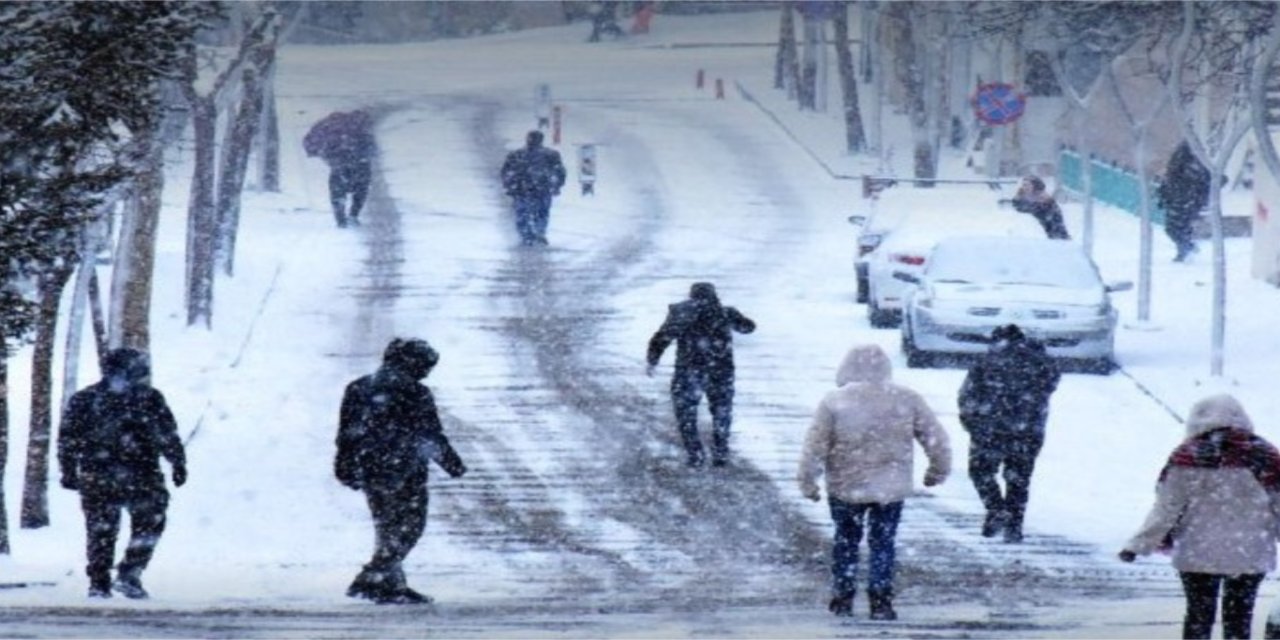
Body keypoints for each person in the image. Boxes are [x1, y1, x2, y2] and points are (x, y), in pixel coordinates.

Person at [798, 344, 951, 620]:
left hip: (846, 485)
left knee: (846, 540)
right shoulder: (906, 398)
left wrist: (808, 480)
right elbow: (935, 437)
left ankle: (843, 595)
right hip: (890, 487)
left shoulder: (835, 401)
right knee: (883, 542)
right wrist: (938, 469)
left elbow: (816, 445)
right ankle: (881, 598)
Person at [1119, 394, 1280, 640]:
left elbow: (1166, 509)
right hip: (1250, 551)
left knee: (1198, 616)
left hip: (1198, 551)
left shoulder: (1186, 457)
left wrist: (1137, 545)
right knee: (1239, 618)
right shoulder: (1265, 456)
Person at [335, 338, 468, 605]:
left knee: (387, 527)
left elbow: (347, 433)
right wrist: (452, 463)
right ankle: (370, 578)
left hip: (372, 467)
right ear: (413, 363)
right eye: (426, 366)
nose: (427, 372)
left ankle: (392, 585)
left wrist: (345, 464)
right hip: (405, 468)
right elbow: (429, 434)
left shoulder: (358, 387)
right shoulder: (416, 392)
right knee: (410, 527)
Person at [57, 348, 187, 599]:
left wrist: (69, 469)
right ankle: (128, 573)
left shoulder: (86, 398)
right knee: (148, 522)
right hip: (140, 473)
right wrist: (178, 462)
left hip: (99, 473)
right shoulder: (148, 398)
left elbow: (68, 438)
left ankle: (100, 582)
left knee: (100, 529)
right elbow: (166, 433)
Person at [957, 323, 1060, 544]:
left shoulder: (985, 363)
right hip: (1028, 430)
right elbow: (1050, 384)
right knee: (1019, 480)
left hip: (989, 429)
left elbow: (967, 396)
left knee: (981, 472)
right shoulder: (1040, 364)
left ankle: (995, 507)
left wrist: (971, 422)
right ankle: (1014, 526)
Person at [646, 282, 755, 467]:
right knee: (721, 411)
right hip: (721, 370)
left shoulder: (682, 313)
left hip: (689, 370)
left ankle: (695, 453)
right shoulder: (725, 313)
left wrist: (652, 359)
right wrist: (730, 317)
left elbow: (662, 336)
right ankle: (720, 451)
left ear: (691, 296)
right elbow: (749, 327)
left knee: (686, 413)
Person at [304, 110, 375, 228]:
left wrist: (316, 152)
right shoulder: (359, 127)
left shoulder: (326, 126)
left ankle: (340, 218)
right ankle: (354, 214)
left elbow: (310, 141)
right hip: (360, 162)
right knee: (361, 189)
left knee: (337, 191)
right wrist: (366, 156)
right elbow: (371, 146)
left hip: (338, 162)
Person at [500, 130, 566, 246]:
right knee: (541, 212)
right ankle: (538, 232)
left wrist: (509, 186)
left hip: (522, 189)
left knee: (523, 212)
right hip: (542, 189)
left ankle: (527, 235)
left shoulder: (517, 154)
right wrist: (556, 186)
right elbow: (560, 172)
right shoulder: (551, 155)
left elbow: (506, 172)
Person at [1158, 141, 1213, 262]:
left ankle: (1185, 249)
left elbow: (1205, 182)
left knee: (1177, 228)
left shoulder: (1193, 167)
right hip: (1180, 201)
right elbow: (1168, 182)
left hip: (1186, 201)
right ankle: (1186, 248)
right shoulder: (1178, 167)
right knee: (1175, 228)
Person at [1010, 175, 1070, 240]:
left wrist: (1036, 206)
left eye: (1028, 185)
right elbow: (1017, 205)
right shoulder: (1021, 193)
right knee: (1049, 230)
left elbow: (1048, 206)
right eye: (1024, 185)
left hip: (1050, 214)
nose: (1025, 187)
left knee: (1056, 229)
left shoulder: (1041, 194)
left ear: (1034, 186)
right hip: (1040, 214)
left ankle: (1064, 240)